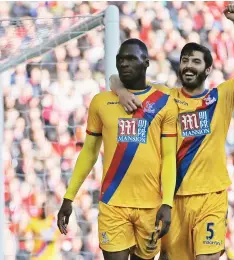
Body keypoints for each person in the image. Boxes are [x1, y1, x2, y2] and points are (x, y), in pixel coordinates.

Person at [111, 4, 234, 260]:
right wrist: (122, 92)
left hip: (211, 197)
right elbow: (115, 79)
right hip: (173, 200)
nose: (189, 65)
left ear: (207, 70)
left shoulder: (222, 96)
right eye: (185, 60)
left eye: (196, 61)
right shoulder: (163, 96)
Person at [57, 38, 178, 260]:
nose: (124, 64)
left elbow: (169, 156)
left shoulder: (164, 101)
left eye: (131, 59)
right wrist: (69, 196)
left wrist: (167, 202)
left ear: (146, 63)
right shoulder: (101, 102)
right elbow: (89, 152)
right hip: (113, 203)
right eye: (120, 60)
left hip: (150, 205)